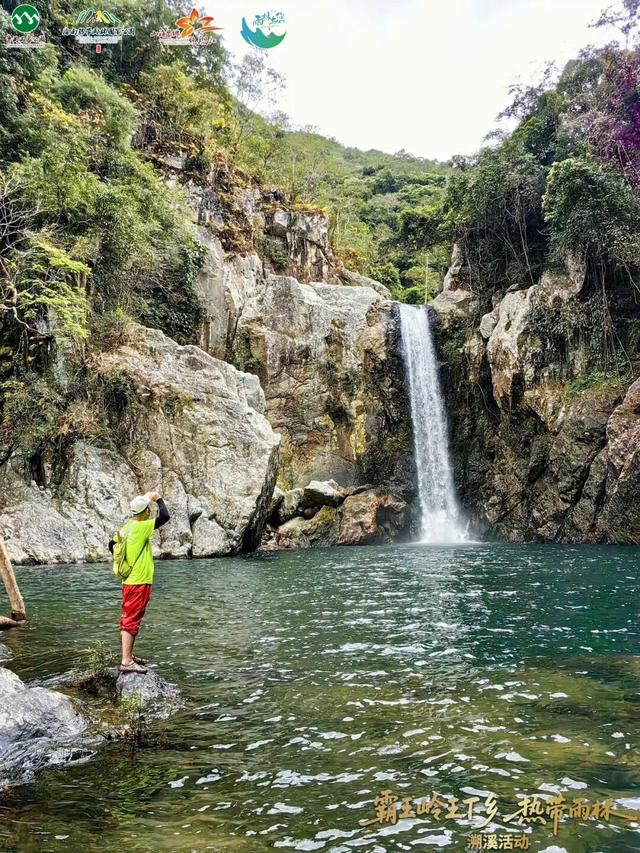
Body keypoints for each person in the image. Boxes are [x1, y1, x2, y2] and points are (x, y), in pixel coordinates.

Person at [109, 492, 170, 674]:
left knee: (128, 617)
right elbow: (165, 516)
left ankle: (128, 655)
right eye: (149, 509)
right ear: (145, 512)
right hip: (139, 581)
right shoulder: (142, 527)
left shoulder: (127, 527)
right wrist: (158, 499)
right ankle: (126, 662)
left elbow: (111, 545)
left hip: (129, 580)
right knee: (131, 620)